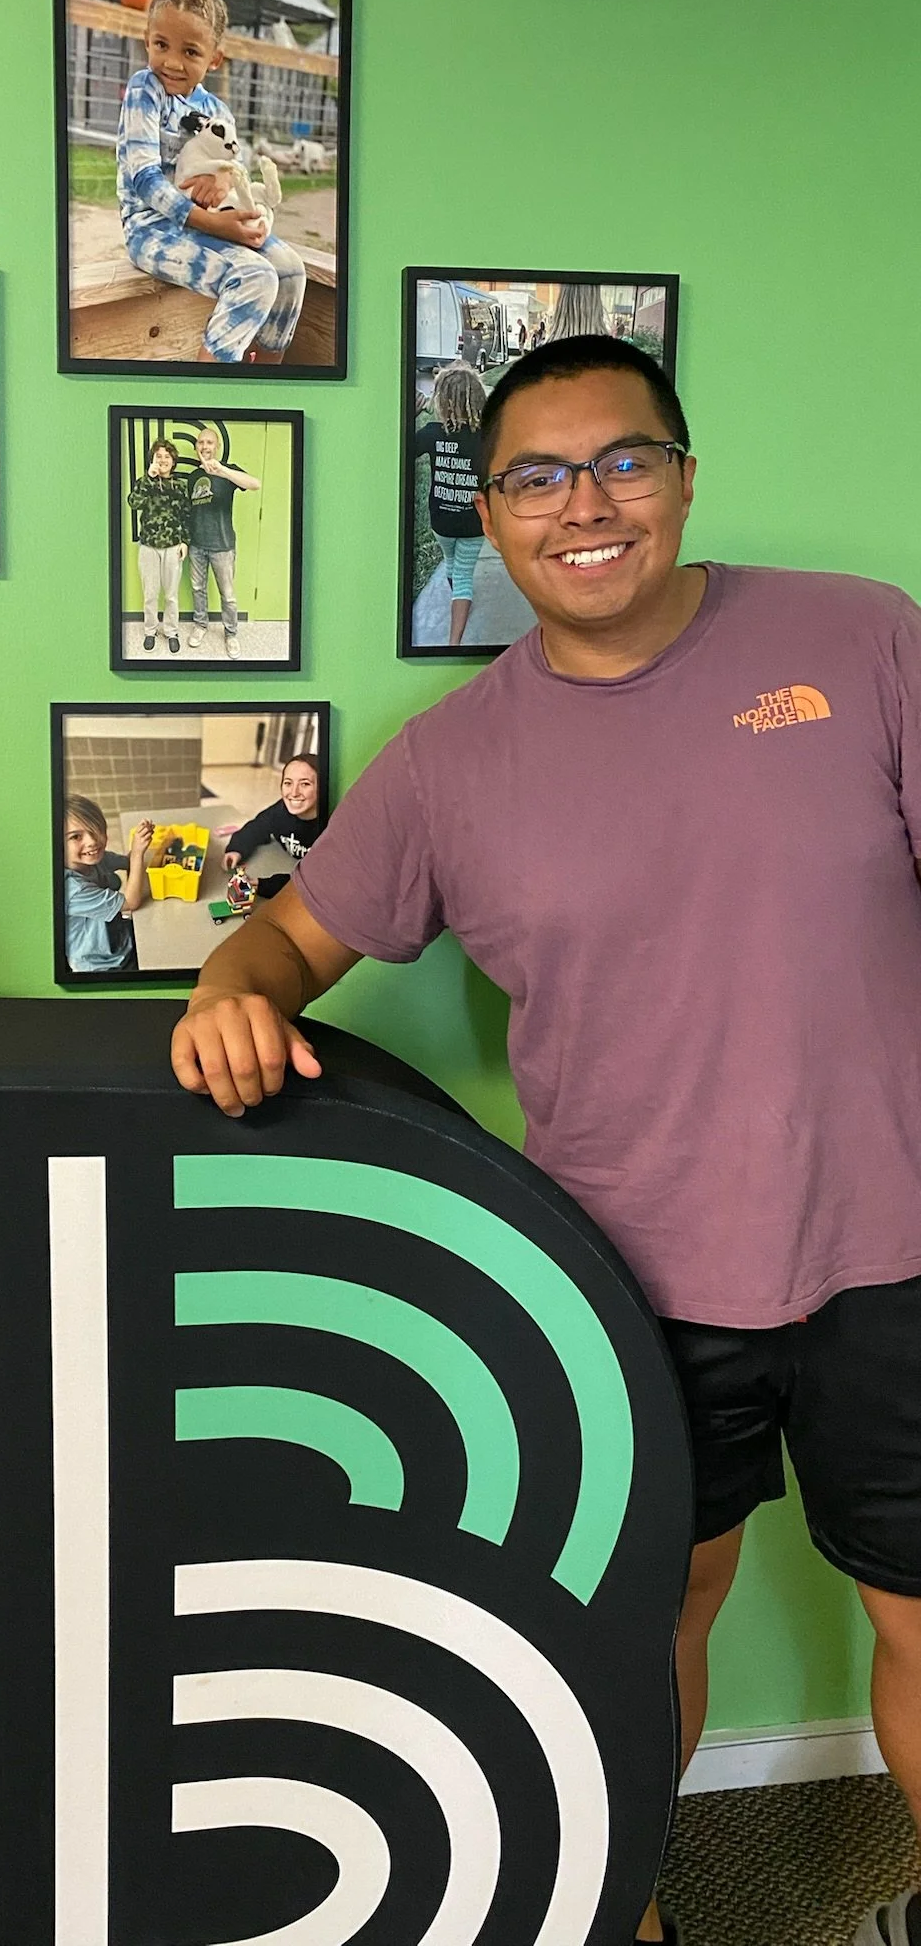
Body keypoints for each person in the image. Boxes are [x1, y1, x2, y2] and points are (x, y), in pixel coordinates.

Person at [172, 331, 921, 1946]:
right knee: (646, 1618)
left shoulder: (859, 640)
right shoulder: (450, 760)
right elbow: (280, 946)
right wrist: (230, 990)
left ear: (683, 472)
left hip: (896, 1247)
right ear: (490, 517)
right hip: (629, 1275)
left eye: (621, 459)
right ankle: (622, 1909)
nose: (584, 502)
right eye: (534, 476)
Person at [115, 0, 307, 366]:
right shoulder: (144, 90)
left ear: (214, 59)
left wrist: (231, 191)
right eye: (161, 45)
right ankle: (212, 392)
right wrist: (215, 224)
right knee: (255, 276)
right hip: (151, 227)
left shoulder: (217, 111)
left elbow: (234, 168)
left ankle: (265, 385)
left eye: (190, 52)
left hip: (208, 224)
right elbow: (145, 179)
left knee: (290, 270)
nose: (172, 61)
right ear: (146, 40)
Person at [411, 363, 490, 646]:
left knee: (451, 563)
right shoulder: (487, 439)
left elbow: (401, 450)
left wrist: (413, 415)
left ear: (442, 401)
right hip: (474, 522)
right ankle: (453, 643)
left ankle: (458, 596)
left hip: (441, 521)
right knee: (464, 576)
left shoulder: (432, 433)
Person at [187, 426, 259, 658]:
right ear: (196, 447)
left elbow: (255, 484)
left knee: (227, 594)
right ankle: (200, 625)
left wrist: (224, 472)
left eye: (209, 442)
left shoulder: (229, 471)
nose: (204, 446)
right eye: (201, 443)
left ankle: (231, 633)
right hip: (196, 545)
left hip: (223, 545)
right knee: (198, 589)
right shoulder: (193, 477)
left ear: (216, 446)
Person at [63, 796, 152, 975]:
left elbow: (127, 862)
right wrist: (137, 855)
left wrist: (141, 840)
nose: (92, 841)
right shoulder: (72, 889)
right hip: (102, 964)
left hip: (119, 939)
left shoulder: (94, 858)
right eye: (75, 836)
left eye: (95, 830)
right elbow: (131, 902)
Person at [222, 752, 326, 899]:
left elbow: (321, 879)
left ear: (322, 788)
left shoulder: (332, 826)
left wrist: (267, 885)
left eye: (305, 784)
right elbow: (257, 827)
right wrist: (236, 849)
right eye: (288, 783)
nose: (294, 793)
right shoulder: (280, 810)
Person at [128, 438, 189, 655]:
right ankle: (150, 631)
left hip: (173, 546)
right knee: (150, 593)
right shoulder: (144, 482)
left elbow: (186, 515)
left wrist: (185, 541)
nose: (163, 460)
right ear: (152, 460)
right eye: (158, 456)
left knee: (171, 594)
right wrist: (149, 477)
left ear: (173, 461)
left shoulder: (180, 486)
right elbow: (133, 503)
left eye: (167, 456)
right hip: (149, 546)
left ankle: (171, 632)